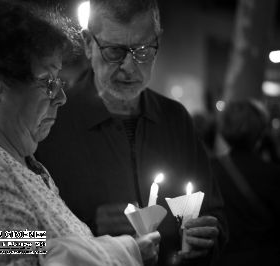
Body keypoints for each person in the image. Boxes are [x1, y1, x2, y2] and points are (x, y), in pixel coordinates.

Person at [0, 1, 160, 266]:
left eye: (60, 82)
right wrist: (125, 253)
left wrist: (126, 247)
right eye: (48, 82)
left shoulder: (10, 161)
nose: (61, 97)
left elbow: (43, 249)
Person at [37, 0, 227, 265]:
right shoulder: (51, 120)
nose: (129, 66)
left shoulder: (175, 119)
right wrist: (88, 229)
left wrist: (207, 236)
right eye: (114, 51)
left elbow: (214, 212)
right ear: (89, 44)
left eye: (143, 50)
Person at [210, 100, 280, 266]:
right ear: (260, 131)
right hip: (264, 259)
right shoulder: (272, 174)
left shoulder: (209, 169)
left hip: (220, 259)